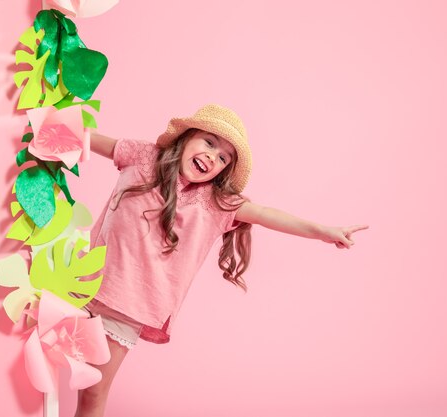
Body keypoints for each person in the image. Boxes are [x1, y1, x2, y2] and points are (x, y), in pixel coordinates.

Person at [75, 104, 368, 417]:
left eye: (224, 157)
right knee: (41, 364)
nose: (213, 156)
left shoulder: (216, 203)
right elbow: (88, 138)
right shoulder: (143, 155)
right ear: (187, 138)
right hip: (76, 281)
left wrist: (323, 231)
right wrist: (41, 124)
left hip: (126, 307)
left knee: (92, 393)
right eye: (209, 142)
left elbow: (268, 215)